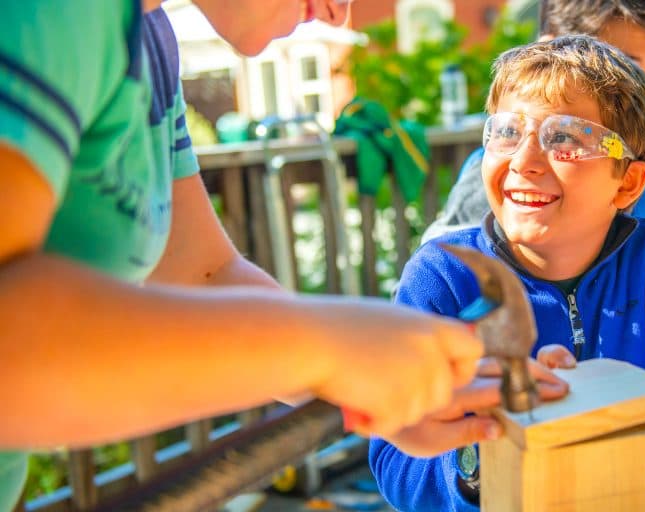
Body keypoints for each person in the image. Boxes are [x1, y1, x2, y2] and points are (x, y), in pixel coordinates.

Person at [0, 1, 483, 509]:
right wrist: (327, 346)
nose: (340, 13)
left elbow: (204, 271)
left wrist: (393, 386)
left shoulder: (150, 37)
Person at [370, 35, 645, 511]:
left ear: (628, 182)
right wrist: (485, 453)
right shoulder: (443, 278)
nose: (524, 161)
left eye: (565, 138)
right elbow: (393, 457)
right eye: (508, 131)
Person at [421, 0, 645, 351]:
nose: (644, 89)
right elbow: (442, 313)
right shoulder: (507, 181)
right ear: (556, 51)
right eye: (623, 64)